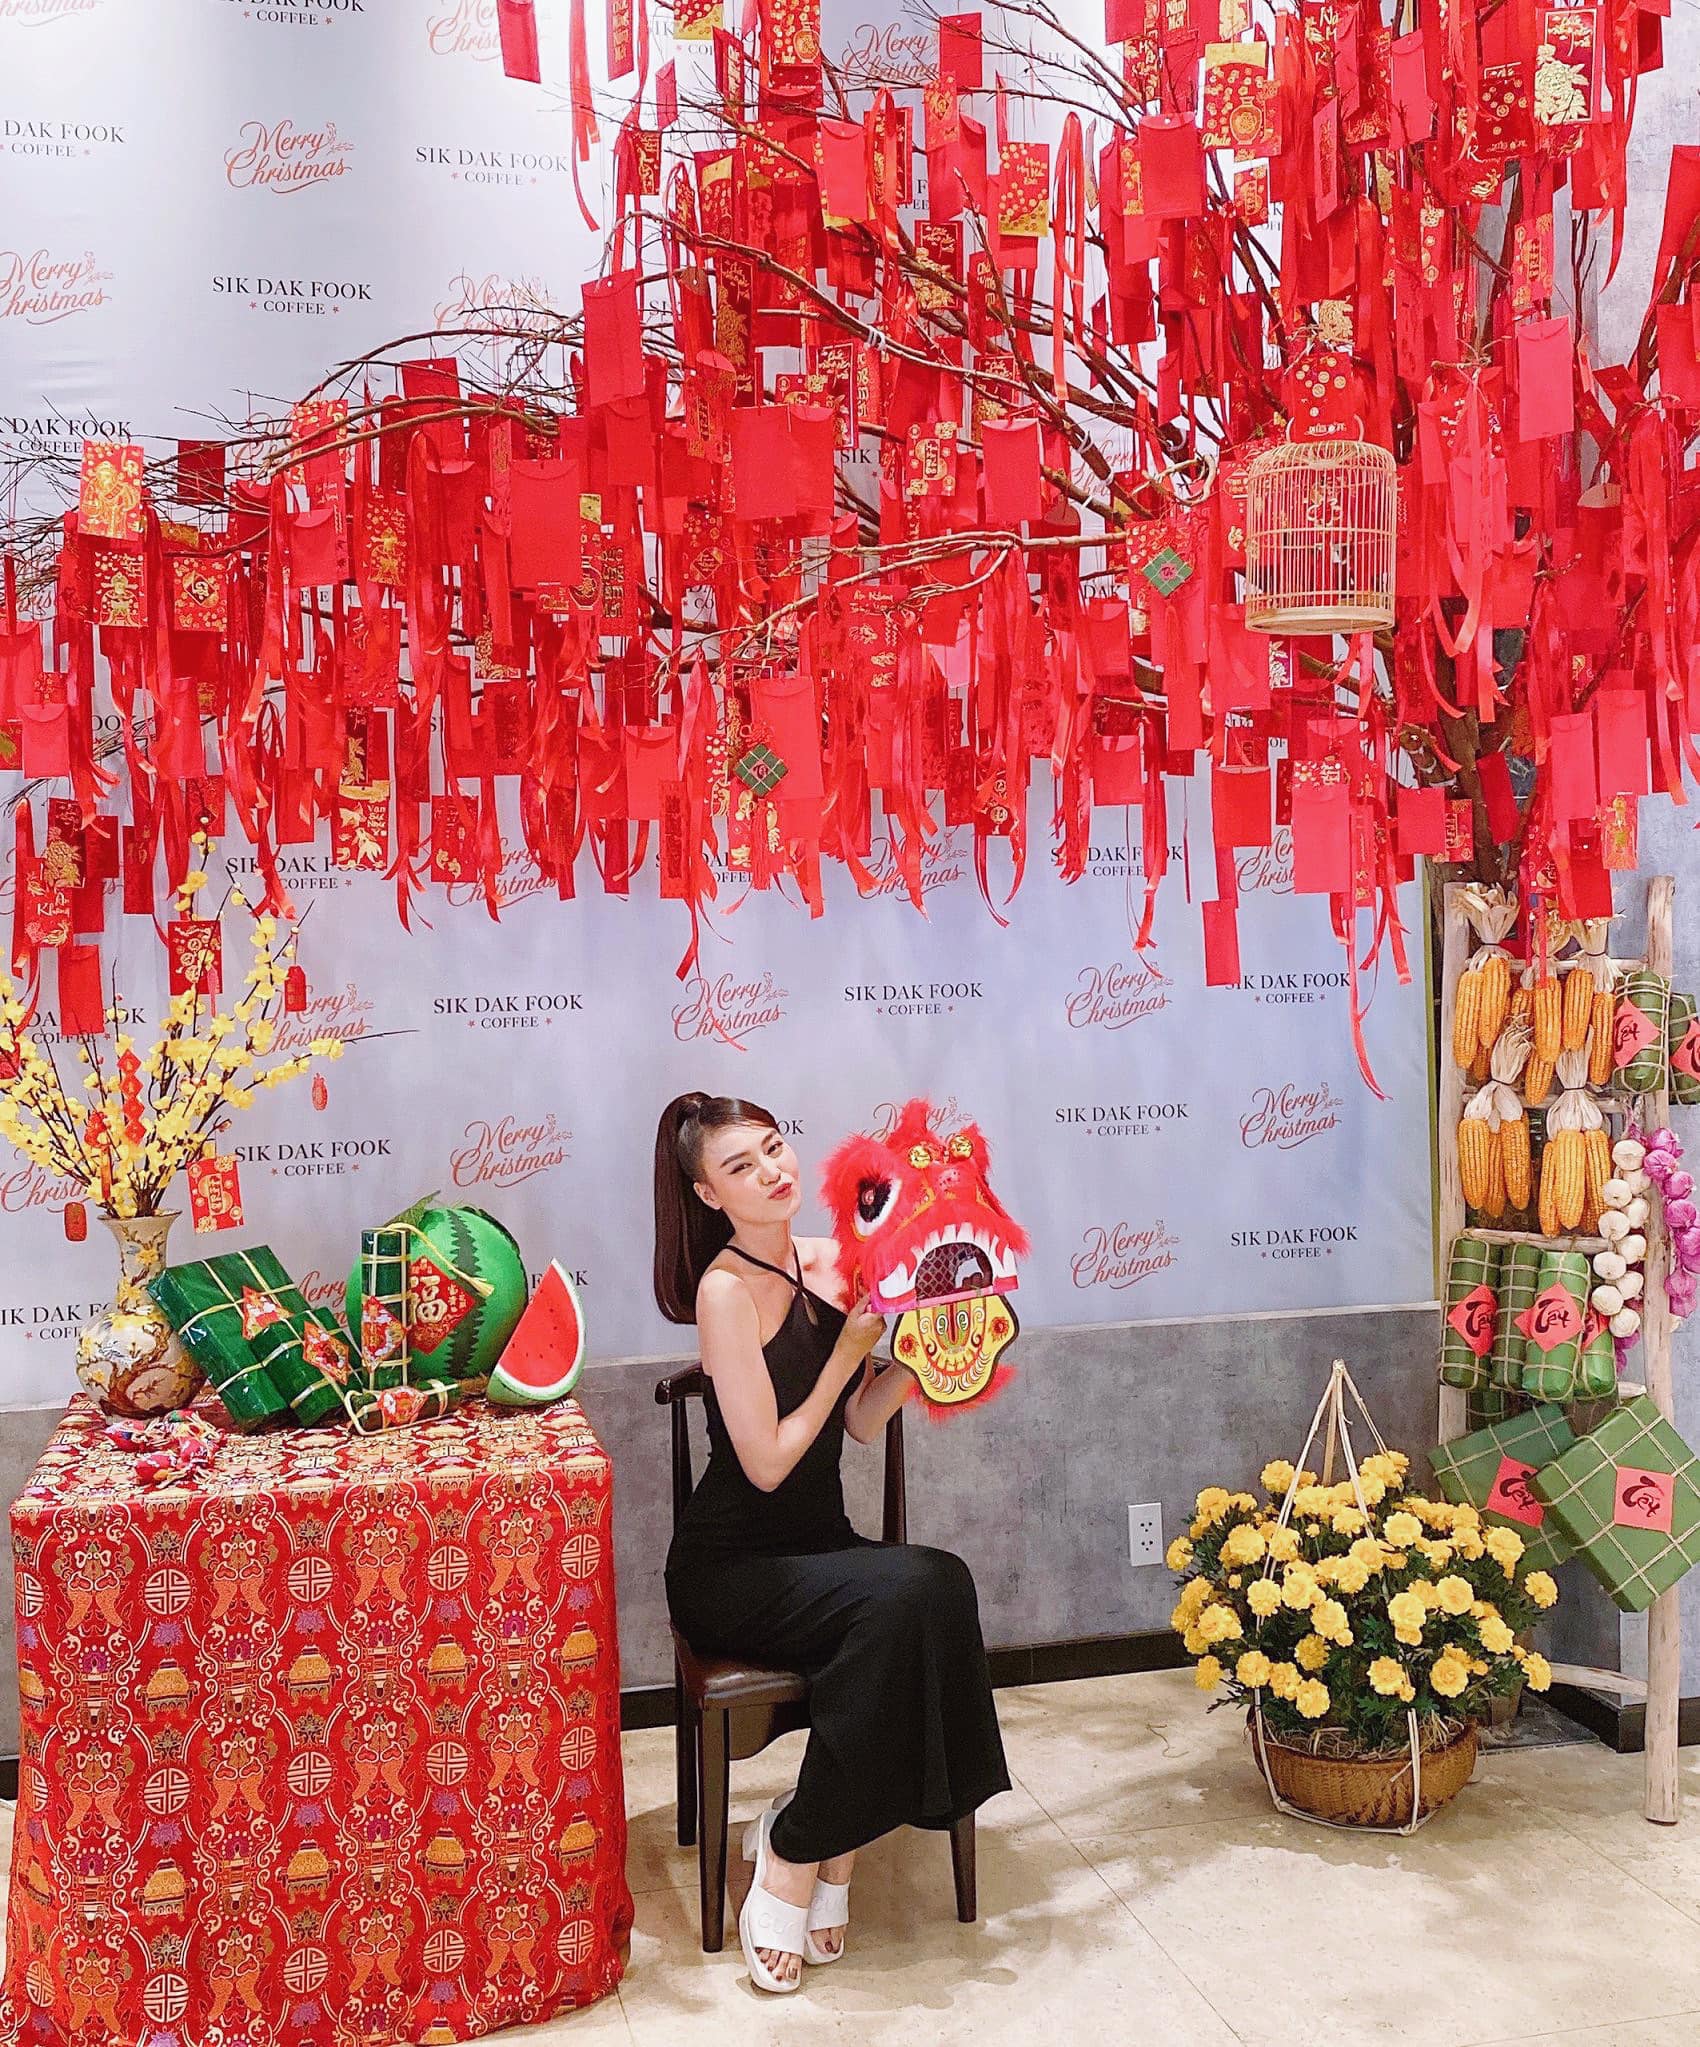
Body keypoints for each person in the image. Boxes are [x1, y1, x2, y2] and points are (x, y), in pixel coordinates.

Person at [654, 1091, 1010, 1994]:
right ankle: (796, 1854)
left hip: (820, 1543)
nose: (771, 1172)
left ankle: (823, 1836)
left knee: (940, 1583)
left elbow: (858, 1421)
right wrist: (848, 1352)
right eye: (740, 1166)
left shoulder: (835, 1261)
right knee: (900, 1600)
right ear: (709, 1194)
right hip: (732, 1565)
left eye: (774, 1148)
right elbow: (769, 1461)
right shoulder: (724, 1291)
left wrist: (932, 1346)